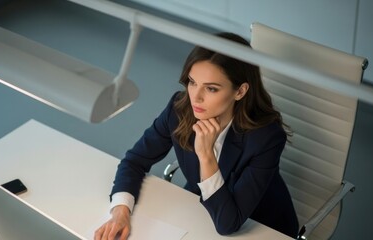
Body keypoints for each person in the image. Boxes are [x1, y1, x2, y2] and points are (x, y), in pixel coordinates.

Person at [94, 32, 299, 240]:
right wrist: (120, 212)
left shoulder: (266, 138)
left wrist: (206, 155)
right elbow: (134, 161)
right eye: (192, 82)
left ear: (240, 91)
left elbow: (228, 224)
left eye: (211, 88)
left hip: (262, 228)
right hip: (201, 215)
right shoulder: (179, 110)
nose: (196, 98)